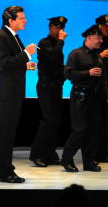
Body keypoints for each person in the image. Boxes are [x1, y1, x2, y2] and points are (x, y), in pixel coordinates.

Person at [0, 6, 37, 183]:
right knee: (6, 132)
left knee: (2, 131)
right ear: (10, 20)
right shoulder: (1, 37)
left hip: (12, 90)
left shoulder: (12, 36)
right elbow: (4, 65)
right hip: (7, 92)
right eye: (22, 18)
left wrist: (25, 64)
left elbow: (12, 63)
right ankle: (6, 171)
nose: (25, 21)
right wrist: (26, 54)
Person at [61, 25, 108, 173]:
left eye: (101, 38)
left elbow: (103, 79)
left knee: (93, 130)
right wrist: (88, 73)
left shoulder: (97, 55)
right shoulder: (76, 54)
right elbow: (68, 74)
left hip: (95, 97)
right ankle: (66, 160)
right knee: (80, 129)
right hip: (80, 96)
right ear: (89, 38)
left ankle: (89, 162)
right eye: (98, 38)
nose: (101, 40)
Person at [29, 16, 68, 167]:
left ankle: (50, 153)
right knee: (48, 120)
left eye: (62, 28)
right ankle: (37, 154)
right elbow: (52, 57)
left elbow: (57, 64)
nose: (60, 30)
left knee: (56, 121)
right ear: (50, 27)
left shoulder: (56, 43)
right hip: (46, 86)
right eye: (57, 27)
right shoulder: (43, 43)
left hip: (57, 86)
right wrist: (61, 41)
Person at [95, 14, 108, 163]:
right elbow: (86, 59)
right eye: (105, 26)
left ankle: (102, 154)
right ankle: (94, 154)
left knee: (106, 121)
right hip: (96, 85)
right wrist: (100, 55)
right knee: (97, 121)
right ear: (99, 26)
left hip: (107, 83)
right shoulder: (93, 38)